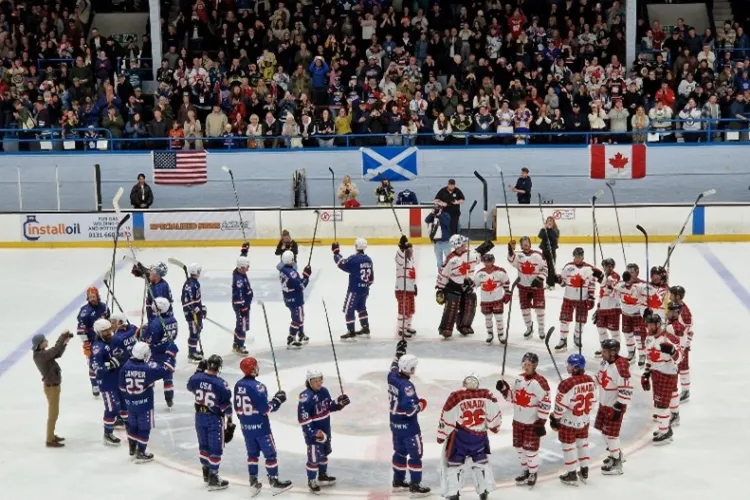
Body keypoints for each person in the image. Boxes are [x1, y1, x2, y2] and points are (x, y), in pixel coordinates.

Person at [436, 373, 501, 500]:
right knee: (481, 464)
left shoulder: (457, 397)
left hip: (460, 438)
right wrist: (494, 427)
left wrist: (441, 435)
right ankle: (484, 491)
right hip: (479, 438)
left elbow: (447, 416)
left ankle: (453, 493)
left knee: (454, 466)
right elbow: (495, 415)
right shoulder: (487, 395)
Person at [235, 357, 293, 496]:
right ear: (253, 369)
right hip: (261, 428)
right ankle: (274, 483)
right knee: (270, 454)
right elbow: (266, 409)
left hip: (246, 428)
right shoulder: (258, 386)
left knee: (252, 455)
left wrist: (245, 422)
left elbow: (237, 408)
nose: (257, 368)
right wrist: (278, 400)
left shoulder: (238, 385)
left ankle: (253, 483)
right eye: (256, 366)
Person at [495, 352, 551, 488]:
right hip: (518, 421)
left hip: (532, 423)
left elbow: (546, 402)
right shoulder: (518, 379)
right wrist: (504, 389)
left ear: (535, 366)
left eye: (529, 365)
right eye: (525, 364)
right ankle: (526, 470)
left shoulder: (540, 382)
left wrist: (541, 421)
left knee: (530, 450)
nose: (526, 367)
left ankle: (533, 472)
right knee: (519, 448)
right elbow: (512, 398)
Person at [119, 341, 175, 462]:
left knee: (132, 426)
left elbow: (122, 387)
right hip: (145, 404)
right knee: (144, 428)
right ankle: (141, 452)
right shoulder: (148, 369)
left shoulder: (125, 366)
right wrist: (171, 354)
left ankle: (132, 448)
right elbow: (167, 370)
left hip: (130, 404)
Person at [297, 368, 351, 493]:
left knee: (324, 452)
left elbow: (329, 407)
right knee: (314, 456)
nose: (319, 383)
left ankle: (322, 475)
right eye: (316, 381)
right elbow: (303, 419)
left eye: (320, 380)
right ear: (309, 381)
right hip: (314, 431)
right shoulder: (305, 397)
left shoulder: (324, 391)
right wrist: (313, 432)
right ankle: (311, 480)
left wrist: (339, 403)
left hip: (326, 428)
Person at [389, 341, 431, 497]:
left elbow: (393, 366)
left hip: (394, 423)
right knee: (415, 455)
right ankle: (415, 485)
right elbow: (410, 411)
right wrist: (421, 404)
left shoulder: (392, 376)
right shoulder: (407, 386)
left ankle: (398, 481)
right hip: (408, 427)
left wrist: (398, 353)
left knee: (399, 452)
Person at [187, 355, 233, 490]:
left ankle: (206, 472)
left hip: (199, 416)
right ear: (218, 367)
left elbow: (190, 386)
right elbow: (226, 406)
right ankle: (213, 476)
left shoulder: (196, 378)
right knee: (216, 448)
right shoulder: (221, 384)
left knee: (203, 446)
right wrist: (229, 422)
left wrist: (198, 371)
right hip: (214, 418)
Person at [550, 354, 597, 486]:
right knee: (583, 444)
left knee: (568, 447)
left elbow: (559, 408)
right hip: (584, 421)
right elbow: (593, 401)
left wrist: (555, 419)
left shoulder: (566, 384)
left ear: (576, 368)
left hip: (568, 423)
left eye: (570, 365)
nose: (568, 367)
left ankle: (571, 474)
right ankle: (584, 470)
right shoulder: (590, 380)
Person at [641, 314, 681, 445]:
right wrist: (646, 374)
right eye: (647, 324)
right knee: (662, 401)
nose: (648, 327)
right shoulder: (648, 338)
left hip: (667, 374)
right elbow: (649, 358)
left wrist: (673, 351)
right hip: (656, 373)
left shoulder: (668, 338)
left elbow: (680, 358)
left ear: (658, 325)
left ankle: (665, 432)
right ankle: (668, 423)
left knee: (661, 405)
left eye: (651, 324)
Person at [554, 248, 603, 352]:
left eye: (580, 257)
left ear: (583, 257)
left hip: (583, 299)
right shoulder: (568, 267)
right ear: (573, 256)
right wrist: (557, 280)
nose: (578, 259)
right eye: (576, 257)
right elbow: (563, 283)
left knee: (580, 321)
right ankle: (563, 339)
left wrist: (590, 297)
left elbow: (592, 284)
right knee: (564, 320)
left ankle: (577, 337)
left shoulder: (589, 269)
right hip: (568, 298)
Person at [595, 338, 632, 476]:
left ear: (613, 352)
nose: (602, 353)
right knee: (605, 433)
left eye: (604, 351)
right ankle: (615, 454)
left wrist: (619, 406)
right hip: (604, 403)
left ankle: (617, 464)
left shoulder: (621, 366)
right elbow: (598, 378)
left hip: (614, 406)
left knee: (611, 435)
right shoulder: (604, 362)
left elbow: (626, 388)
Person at [32, 330, 74, 447]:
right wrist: (62, 336)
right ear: (40, 344)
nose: (46, 341)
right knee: (53, 415)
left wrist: (65, 342)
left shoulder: (43, 354)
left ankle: (51, 435)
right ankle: (50, 439)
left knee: (54, 414)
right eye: (44, 341)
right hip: (51, 388)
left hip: (53, 387)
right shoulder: (40, 356)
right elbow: (55, 350)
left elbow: (57, 353)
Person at [140, 297, 179, 407]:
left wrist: (143, 332)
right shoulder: (173, 319)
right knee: (168, 376)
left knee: (150, 375)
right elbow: (174, 335)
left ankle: (148, 398)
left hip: (156, 354)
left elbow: (149, 341)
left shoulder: (156, 323)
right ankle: (169, 398)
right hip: (169, 353)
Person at [332, 238, 374, 340]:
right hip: (365, 289)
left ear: (356, 246)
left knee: (348, 309)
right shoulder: (369, 260)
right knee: (361, 308)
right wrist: (365, 285)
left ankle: (351, 331)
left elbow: (341, 263)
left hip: (354, 289)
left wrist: (336, 252)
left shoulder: (354, 259)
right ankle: (365, 327)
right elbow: (371, 279)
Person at [507, 237, 547, 340]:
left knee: (540, 309)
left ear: (530, 243)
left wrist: (540, 278)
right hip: (523, 287)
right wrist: (511, 250)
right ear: (520, 245)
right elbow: (511, 260)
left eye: (527, 242)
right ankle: (529, 327)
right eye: (523, 243)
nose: (525, 244)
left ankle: (541, 329)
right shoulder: (518, 256)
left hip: (537, 288)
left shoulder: (537, 255)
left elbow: (546, 268)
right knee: (525, 309)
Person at [91, 319, 123, 446]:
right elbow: (96, 366)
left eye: (109, 330)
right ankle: (108, 433)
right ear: (99, 333)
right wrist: (111, 364)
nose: (108, 333)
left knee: (120, 404)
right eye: (104, 331)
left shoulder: (112, 340)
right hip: (106, 382)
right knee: (111, 408)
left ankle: (118, 420)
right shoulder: (98, 347)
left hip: (116, 379)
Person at [76, 286, 110, 397]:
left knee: (107, 359)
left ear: (97, 296)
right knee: (92, 363)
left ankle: (106, 379)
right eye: (90, 297)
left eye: (93, 296)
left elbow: (109, 322)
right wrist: (86, 343)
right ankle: (94, 385)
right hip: (92, 341)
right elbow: (81, 330)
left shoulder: (104, 307)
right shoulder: (85, 312)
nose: (92, 298)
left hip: (105, 339)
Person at [474, 253, 511, 345]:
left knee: (499, 318)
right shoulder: (480, 274)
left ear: (493, 261)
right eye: (485, 261)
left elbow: (506, 282)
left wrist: (507, 293)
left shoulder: (500, 272)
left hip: (497, 299)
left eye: (489, 261)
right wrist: (468, 283)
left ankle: (501, 334)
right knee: (488, 317)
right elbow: (474, 284)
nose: (487, 263)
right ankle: (490, 334)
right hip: (485, 300)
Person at [109, 312, 138, 426]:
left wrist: (105, 365)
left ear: (120, 323)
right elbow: (138, 330)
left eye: (113, 322)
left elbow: (115, 358)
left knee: (122, 393)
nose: (111, 324)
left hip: (122, 369)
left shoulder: (116, 338)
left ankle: (124, 418)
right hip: (135, 364)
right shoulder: (132, 328)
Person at [279, 250, 312, 348]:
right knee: (297, 318)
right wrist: (306, 276)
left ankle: (301, 334)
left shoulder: (283, 270)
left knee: (300, 316)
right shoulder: (292, 273)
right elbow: (301, 286)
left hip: (288, 298)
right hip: (295, 298)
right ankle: (291, 338)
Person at [616, 263, 647, 364]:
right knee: (627, 334)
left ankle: (642, 354)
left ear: (637, 273)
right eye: (628, 272)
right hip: (625, 313)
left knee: (639, 336)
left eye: (632, 272)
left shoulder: (642, 285)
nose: (629, 274)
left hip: (638, 315)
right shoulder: (621, 283)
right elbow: (614, 294)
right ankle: (631, 353)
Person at [669, 285, 693, 402]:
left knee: (683, 368)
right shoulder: (674, 307)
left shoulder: (685, 312)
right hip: (675, 344)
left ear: (678, 296)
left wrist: (685, 346)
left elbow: (690, 331)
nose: (670, 296)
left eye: (672, 294)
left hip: (681, 346)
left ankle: (685, 391)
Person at [594, 259, 621, 357]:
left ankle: (616, 349)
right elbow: (601, 294)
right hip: (603, 308)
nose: (607, 268)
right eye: (605, 266)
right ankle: (604, 348)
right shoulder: (605, 277)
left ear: (613, 267)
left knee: (614, 331)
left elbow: (613, 293)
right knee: (600, 328)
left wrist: (608, 287)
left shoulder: (615, 276)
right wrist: (598, 307)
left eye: (610, 266)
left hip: (613, 307)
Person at [180, 263, 206, 363]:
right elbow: (187, 302)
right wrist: (195, 310)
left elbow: (195, 300)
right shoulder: (191, 285)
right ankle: (191, 353)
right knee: (194, 332)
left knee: (197, 329)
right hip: (191, 314)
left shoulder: (194, 283)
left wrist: (201, 308)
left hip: (195, 312)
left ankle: (194, 350)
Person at [395, 235, 417, 337]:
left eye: (411, 249)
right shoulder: (401, 261)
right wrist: (401, 247)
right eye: (409, 249)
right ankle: (401, 329)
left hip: (410, 289)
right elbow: (399, 257)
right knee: (403, 310)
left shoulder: (411, 261)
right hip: (402, 289)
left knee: (410, 309)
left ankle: (407, 326)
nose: (411, 251)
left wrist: (414, 286)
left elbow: (412, 276)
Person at [232, 256, 253, 355]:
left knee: (239, 323)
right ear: (241, 267)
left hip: (242, 305)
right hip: (242, 306)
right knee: (243, 325)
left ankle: (236, 343)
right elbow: (239, 294)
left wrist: (244, 252)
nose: (248, 269)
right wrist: (243, 306)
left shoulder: (239, 272)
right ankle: (240, 346)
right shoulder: (239, 279)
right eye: (246, 267)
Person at [425, 203, 453, 270]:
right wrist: (431, 214)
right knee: (439, 261)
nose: (437, 209)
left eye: (438, 208)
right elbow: (426, 220)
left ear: (442, 209)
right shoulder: (433, 216)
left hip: (446, 242)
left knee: (448, 260)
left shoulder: (446, 215)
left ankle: (449, 272)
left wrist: (440, 215)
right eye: (435, 208)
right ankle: (441, 274)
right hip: (437, 243)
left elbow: (446, 222)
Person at [537, 216, 559, 289]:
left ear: (553, 222)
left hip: (551, 251)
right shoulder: (544, 229)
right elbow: (540, 236)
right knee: (545, 267)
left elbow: (555, 237)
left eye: (551, 221)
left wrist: (550, 229)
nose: (549, 222)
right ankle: (547, 283)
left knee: (551, 267)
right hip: (545, 251)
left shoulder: (555, 230)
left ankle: (552, 284)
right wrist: (544, 229)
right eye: (548, 221)